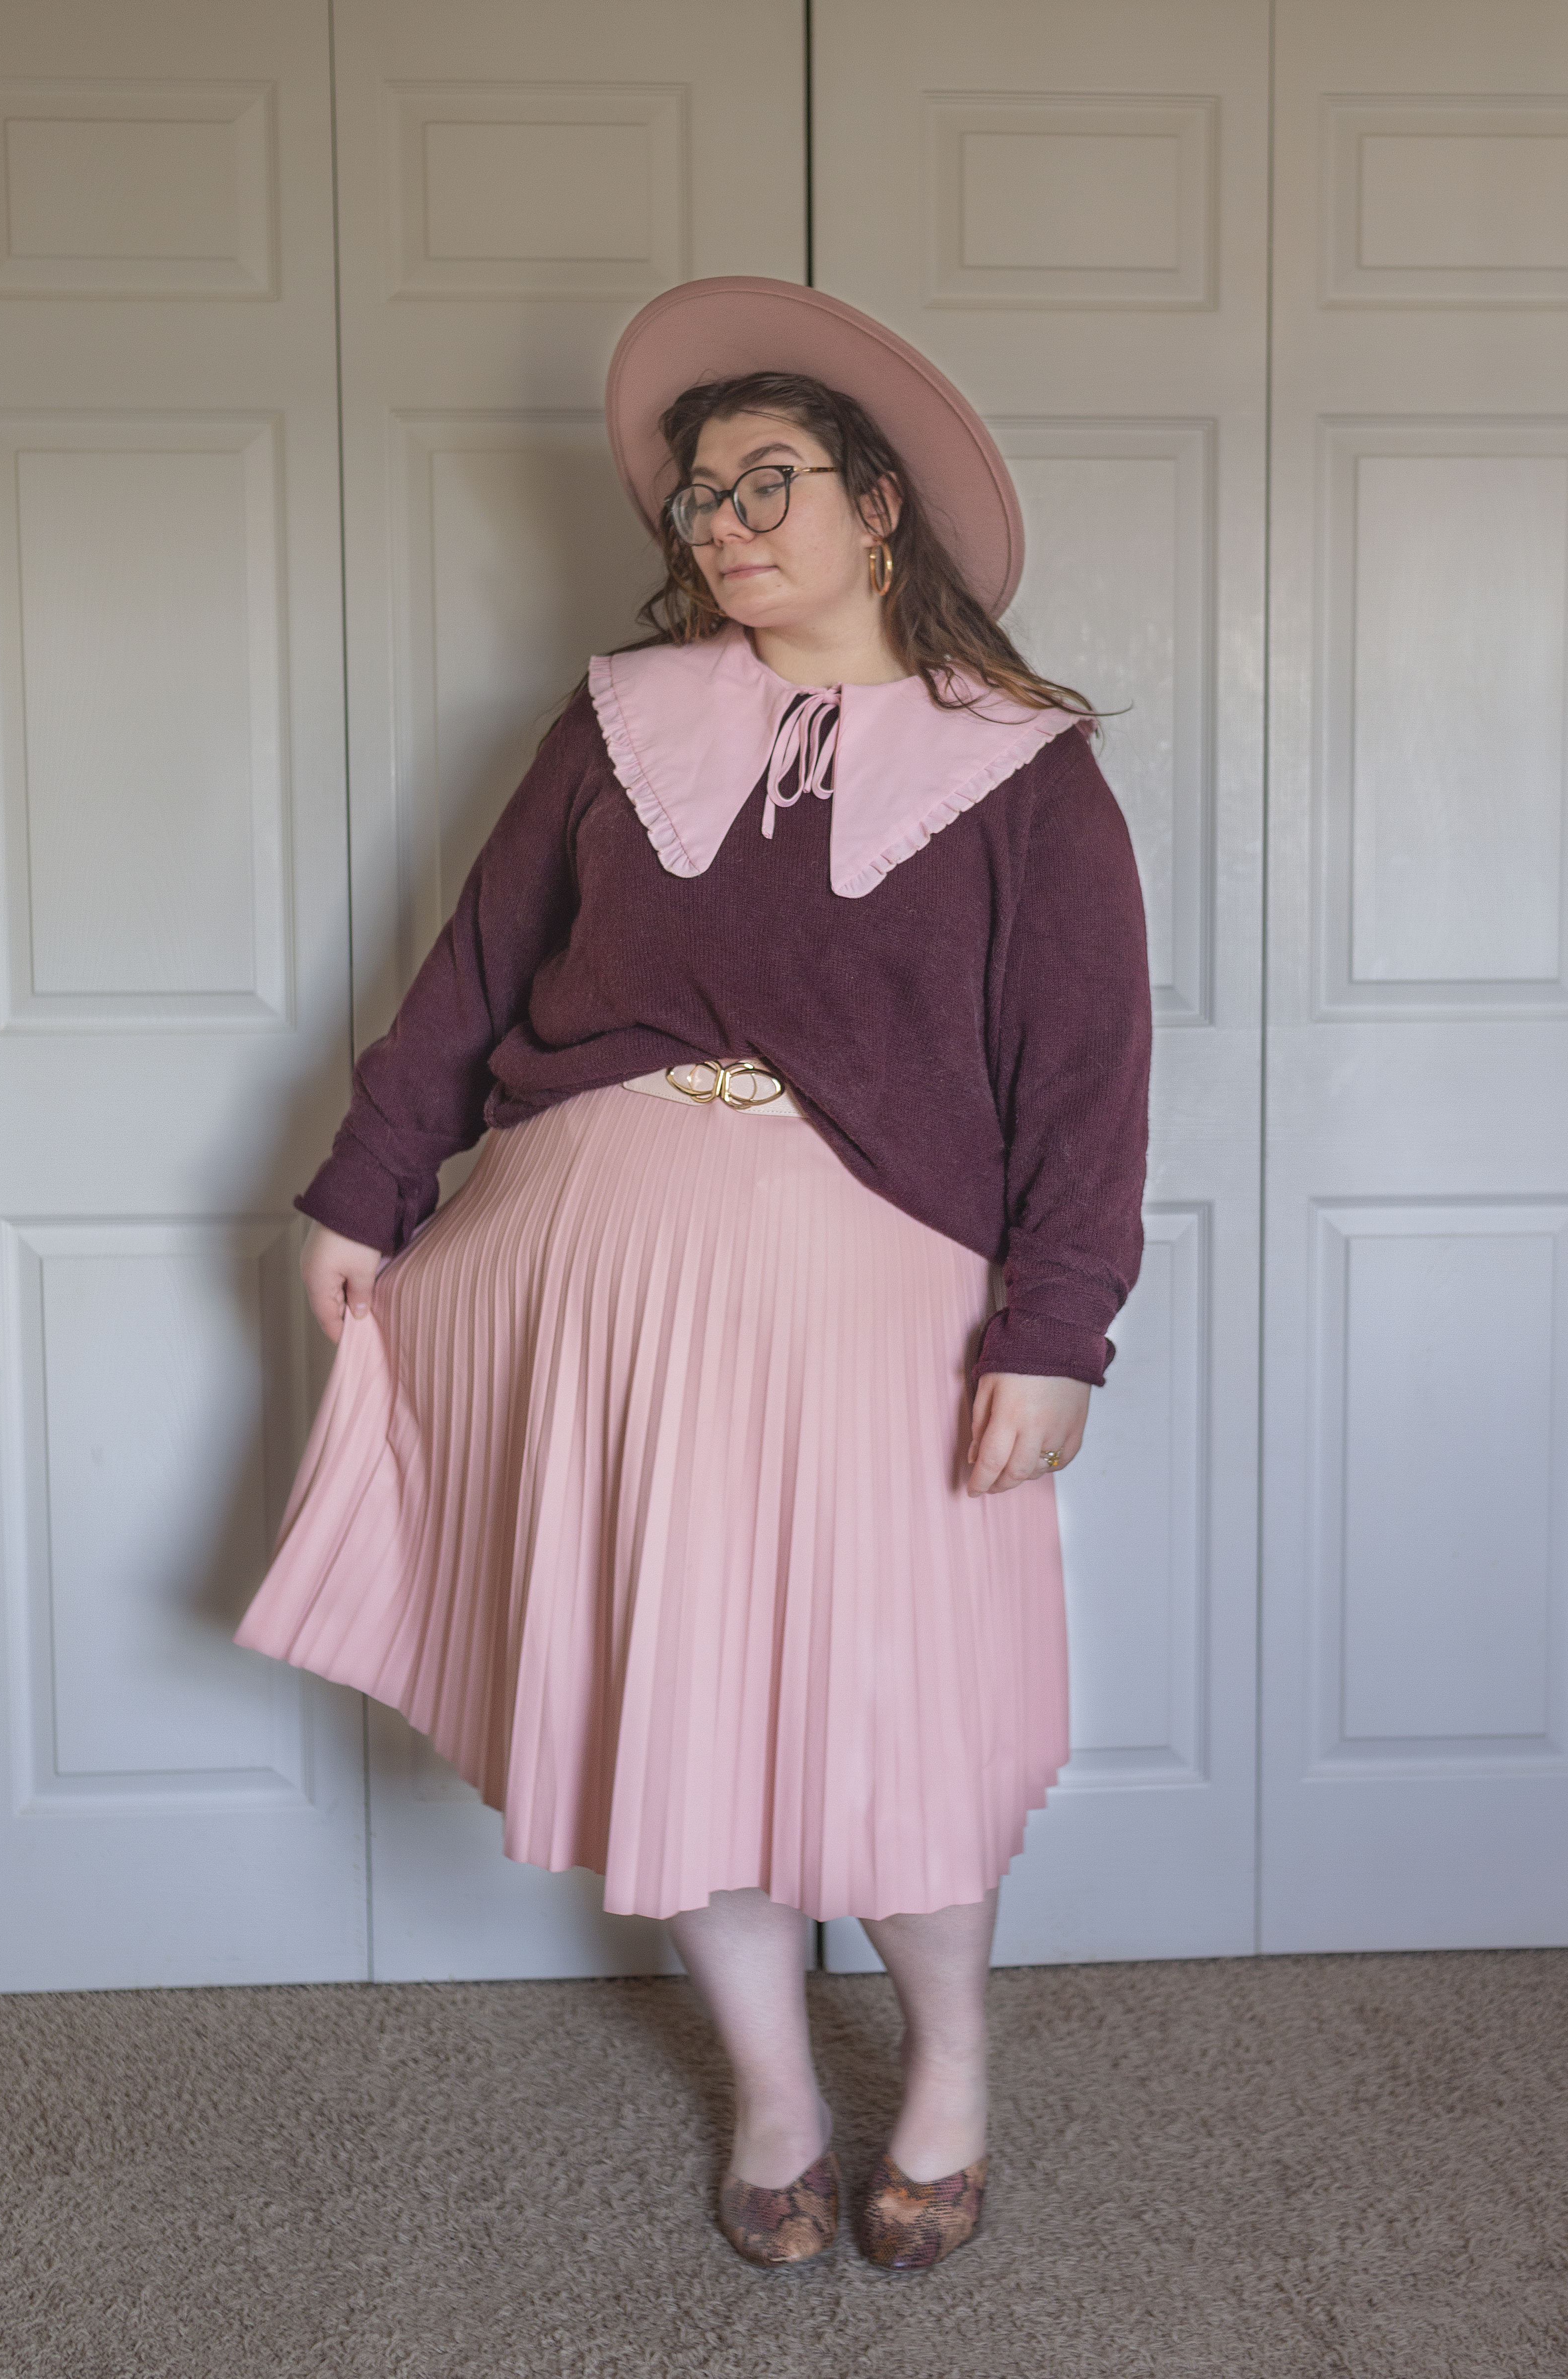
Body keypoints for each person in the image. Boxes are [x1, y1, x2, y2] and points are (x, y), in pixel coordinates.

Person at [236, 277, 1151, 2273]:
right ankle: (770, 2091)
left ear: (880, 502)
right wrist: (363, 1197)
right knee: (684, 1700)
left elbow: (1082, 1081)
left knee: (891, 1713)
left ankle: (951, 2078)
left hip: (874, 1311)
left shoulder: (1026, 773)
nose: (723, 525)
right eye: (695, 499)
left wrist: (1057, 1331)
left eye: (769, 483)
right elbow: (473, 980)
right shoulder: (617, 724)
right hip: (599, 1283)